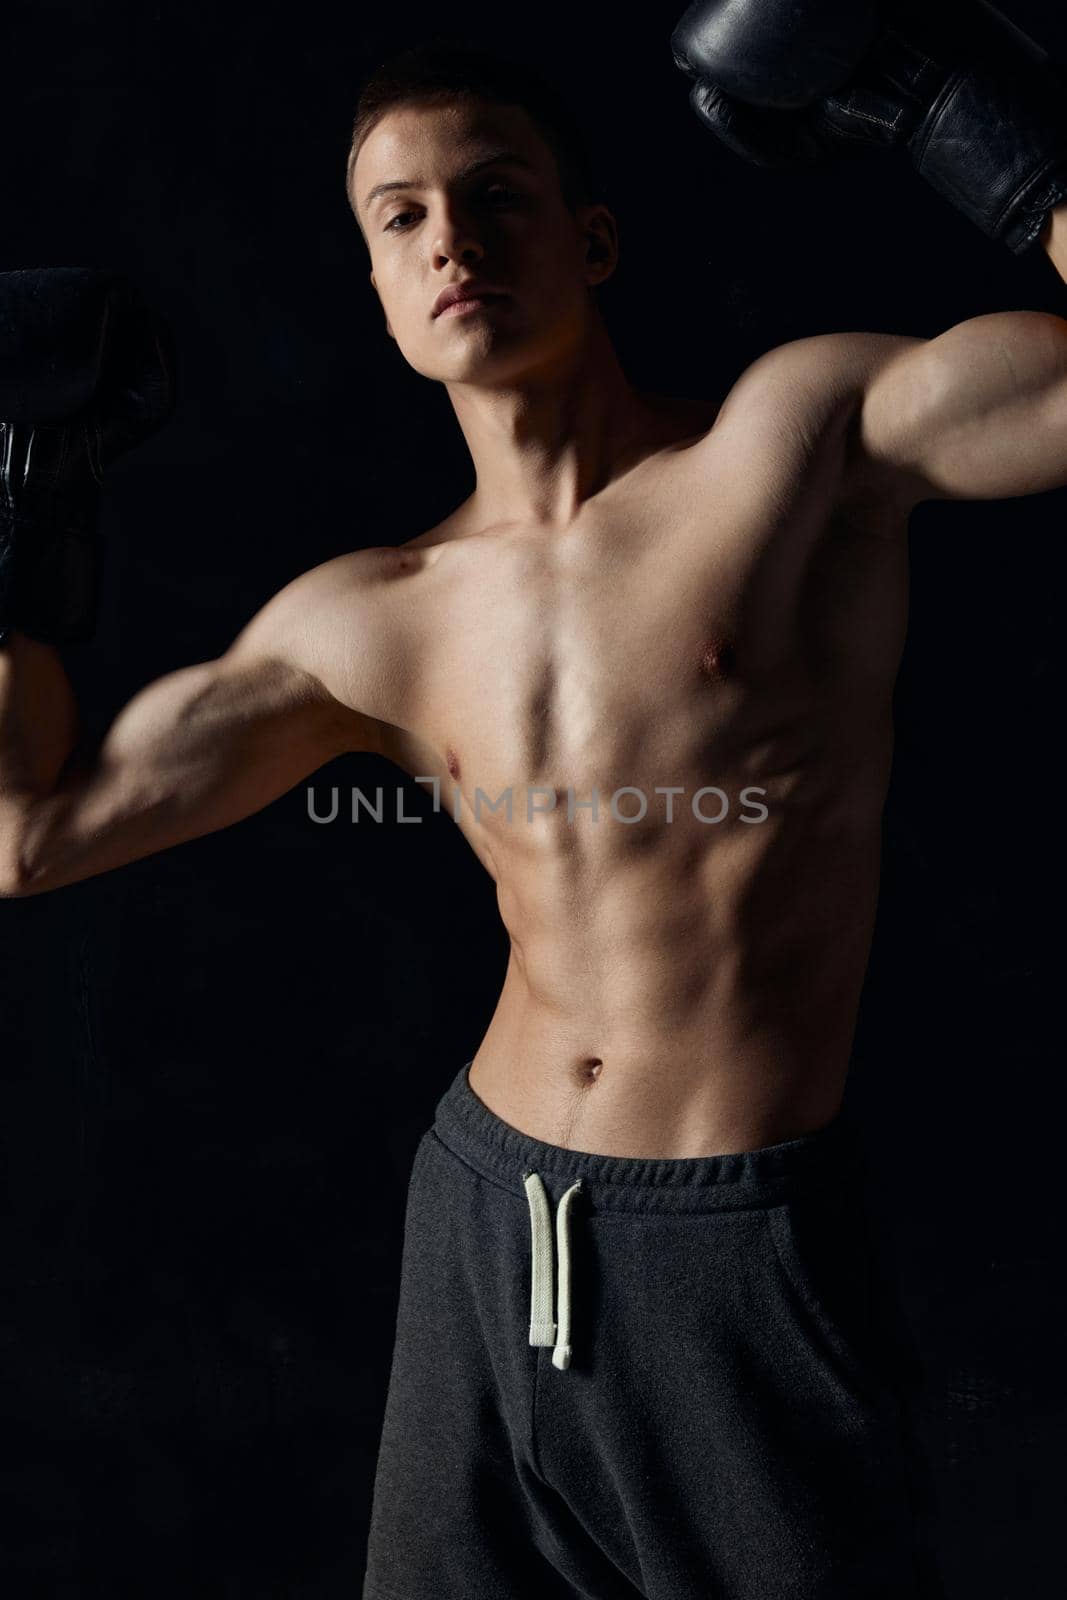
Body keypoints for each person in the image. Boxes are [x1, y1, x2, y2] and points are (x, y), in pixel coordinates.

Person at [2, 2, 1066, 1594]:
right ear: (375, 287)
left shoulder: (794, 447)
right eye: (403, 217)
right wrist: (25, 511)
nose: (453, 242)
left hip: (730, 1241)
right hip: (482, 1214)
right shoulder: (367, 617)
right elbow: (30, 834)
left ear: (595, 237)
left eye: (496, 195)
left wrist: (954, 114)